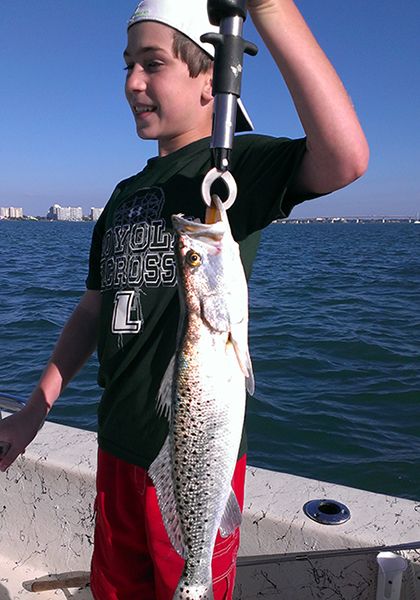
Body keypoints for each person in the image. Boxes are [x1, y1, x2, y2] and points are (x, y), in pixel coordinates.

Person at [0, 0, 369, 598]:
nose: (132, 83)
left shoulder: (234, 172)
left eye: (152, 63)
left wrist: (269, 8)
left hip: (198, 458)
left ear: (211, 79)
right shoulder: (123, 195)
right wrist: (35, 408)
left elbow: (345, 156)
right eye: (127, 65)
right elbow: (93, 309)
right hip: (116, 447)